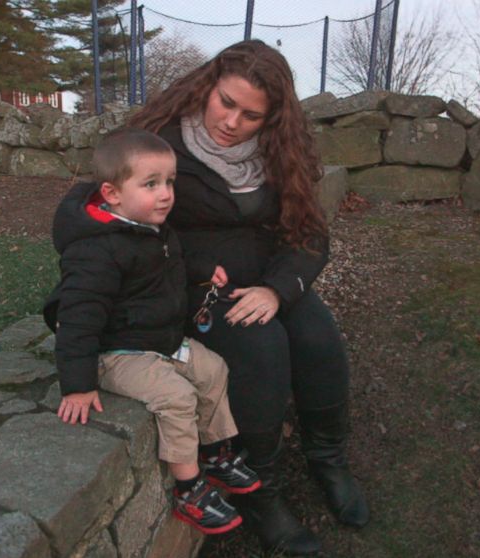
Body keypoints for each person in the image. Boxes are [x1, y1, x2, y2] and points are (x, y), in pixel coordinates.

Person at [129, 40, 369, 555]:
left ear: (272, 118)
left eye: (251, 115)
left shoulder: (280, 152)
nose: (232, 122)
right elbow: (107, 210)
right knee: (261, 348)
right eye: (226, 103)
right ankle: (261, 491)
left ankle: (328, 458)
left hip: (264, 280)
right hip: (192, 288)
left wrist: (279, 289)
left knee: (317, 335)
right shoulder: (158, 142)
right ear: (208, 85)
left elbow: (309, 233)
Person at [42, 128, 261, 535]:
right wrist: (77, 385)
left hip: (158, 339)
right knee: (176, 397)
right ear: (111, 193)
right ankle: (188, 488)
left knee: (213, 369)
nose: (166, 195)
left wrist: (202, 271)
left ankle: (214, 451)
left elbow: (172, 259)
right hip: (116, 353)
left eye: (169, 182)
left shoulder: (149, 225)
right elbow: (77, 317)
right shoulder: (96, 250)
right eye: (151, 184)